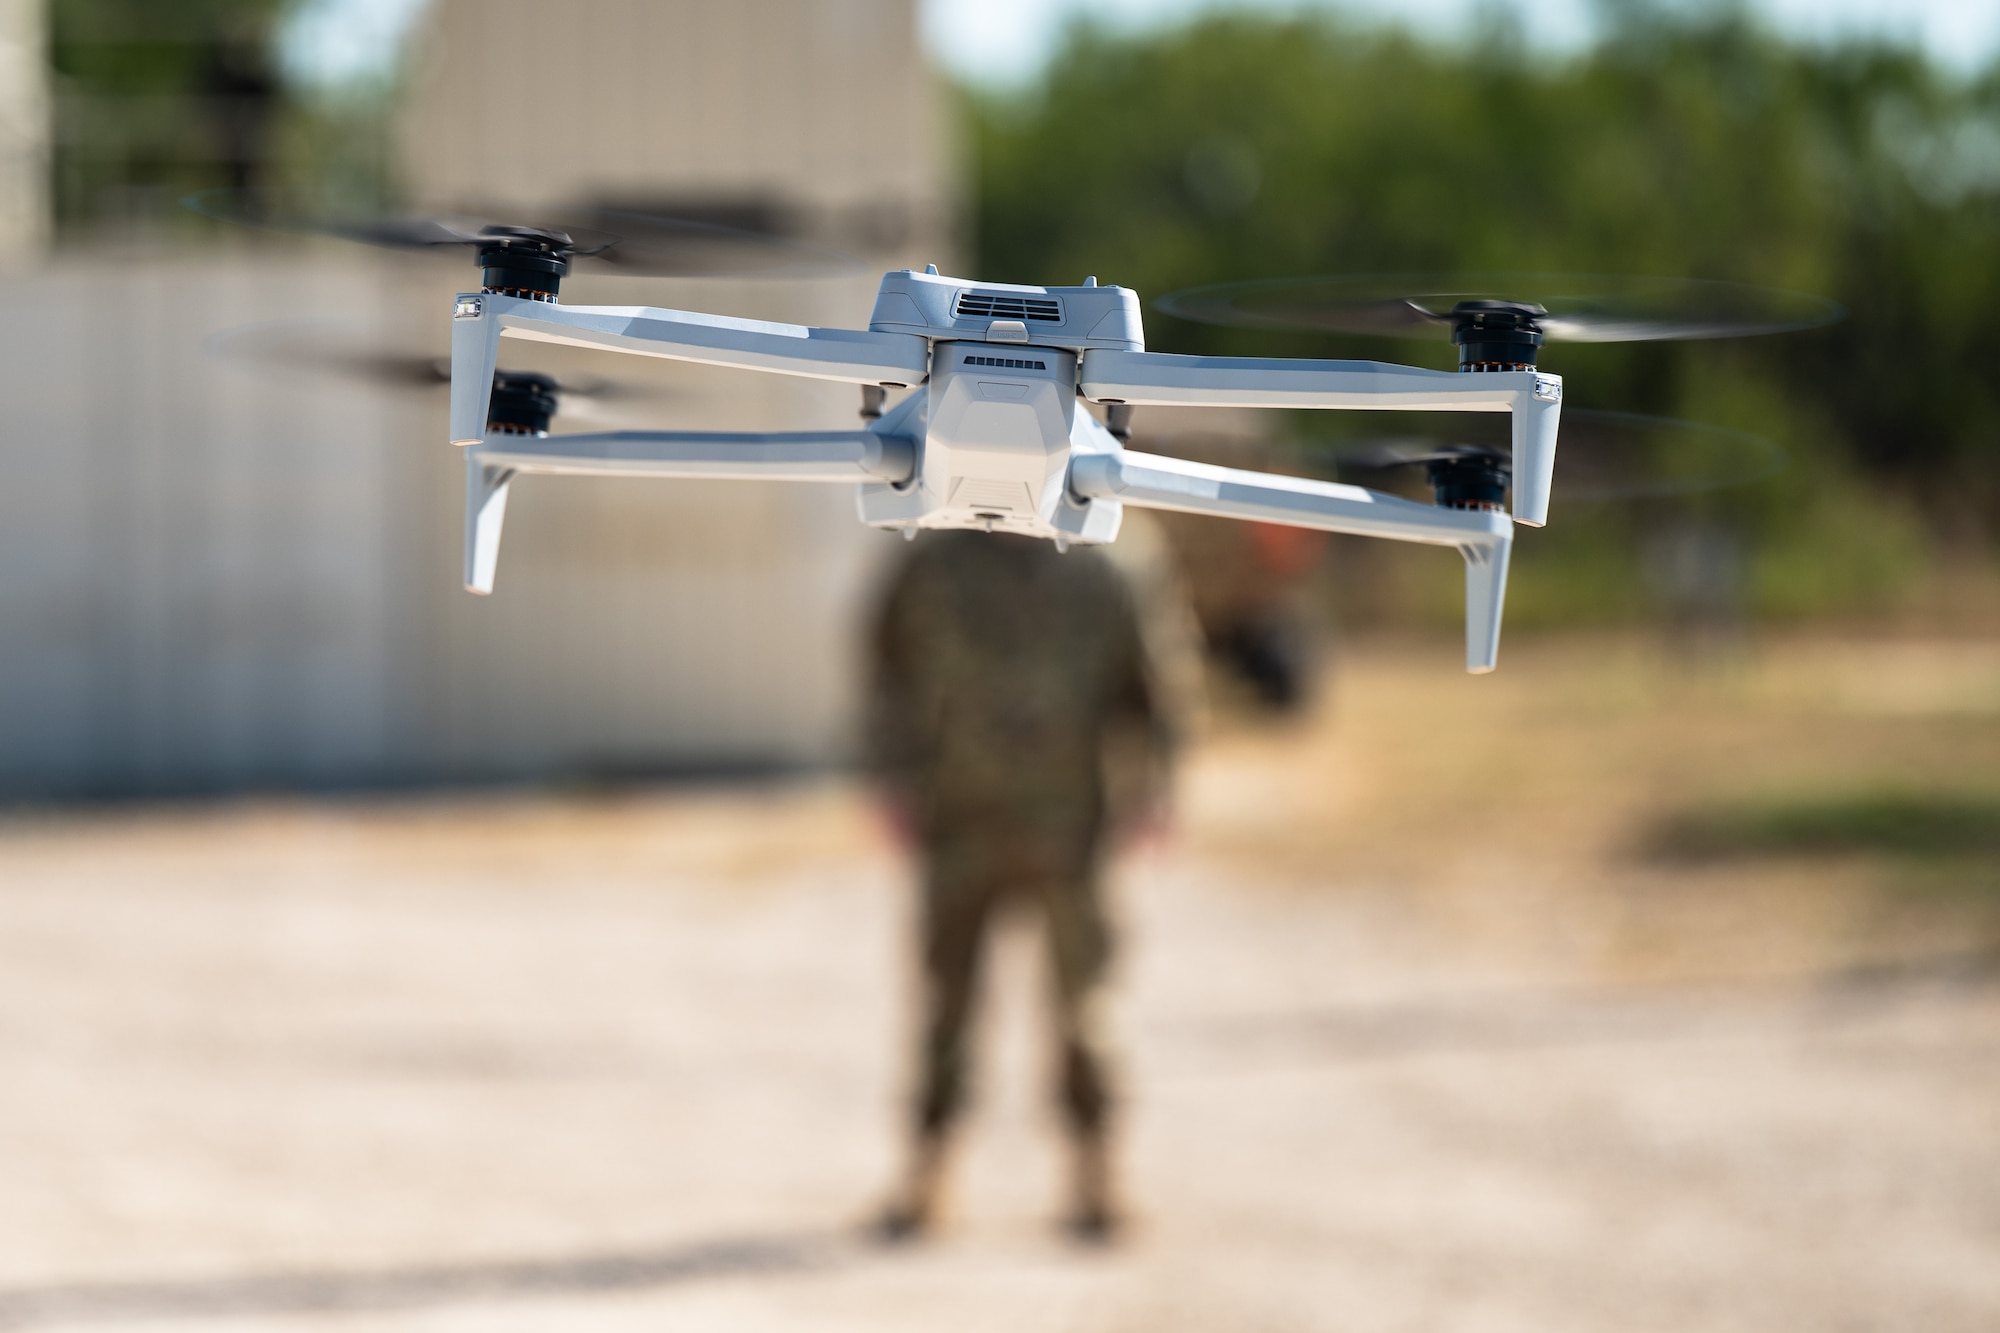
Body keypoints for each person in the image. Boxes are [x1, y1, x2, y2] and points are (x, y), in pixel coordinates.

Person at [865, 516, 1201, 1241]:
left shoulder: (1114, 552)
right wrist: (887, 777)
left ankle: (1096, 1177)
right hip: (959, 816)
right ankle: (927, 1176)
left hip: (1069, 823)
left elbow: (1158, 676)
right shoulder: (932, 554)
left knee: (1087, 1005)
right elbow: (884, 664)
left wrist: (1161, 785)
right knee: (946, 1000)